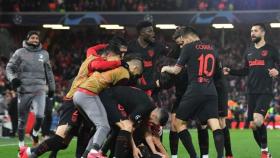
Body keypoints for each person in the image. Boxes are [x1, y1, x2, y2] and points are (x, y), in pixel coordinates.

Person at [19, 37, 129, 158]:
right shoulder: (97, 61)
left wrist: (106, 45)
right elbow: (97, 65)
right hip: (73, 100)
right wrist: (119, 63)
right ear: (111, 53)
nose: (122, 57)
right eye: (120, 53)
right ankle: (29, 153)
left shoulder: (91, 54)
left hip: (82, 99)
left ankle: (33, 153)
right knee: (60, 139)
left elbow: (91, 48)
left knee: (80, 134)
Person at [161, 26, 224, 158]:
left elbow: (176, 70)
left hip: (195, 89)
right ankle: (220, 156)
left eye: (181, 42)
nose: (181, 45)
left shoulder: (188, 48)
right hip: (211, 91)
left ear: (186, 37)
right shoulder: (212, 48)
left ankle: (193, 156)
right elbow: (218, 73)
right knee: (214, 124)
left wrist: (166, 67)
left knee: (178, 123)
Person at [223, 23, 279, 158]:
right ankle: (266, 152)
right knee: (253, 125)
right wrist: (231, 71)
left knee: (258, 120)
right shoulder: (248, 51)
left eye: (255, 31)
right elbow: (245, 70)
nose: (252, 33)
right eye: (251, 31)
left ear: (263, 33)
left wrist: (278, 71)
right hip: (251, 92)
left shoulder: (271, 50)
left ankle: (264, 152)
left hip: (265, 91)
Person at [73, 55, 143, 158]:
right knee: (104, 126)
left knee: (99, 128)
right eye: (137, 75)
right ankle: (93, 153)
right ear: (135, 68)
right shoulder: (125, 74)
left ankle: (86, 155)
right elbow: (114, 93)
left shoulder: (115, 67)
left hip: (79, 93)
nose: (134, 77)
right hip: (89, 94)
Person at [6, 31, 55, 147]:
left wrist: (52, 88)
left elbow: (49, 72)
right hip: (24, 90)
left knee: (40, 116)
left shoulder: (44, 54)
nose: (35, 40)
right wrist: (13, 79)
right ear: (27, 39)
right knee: (22, 121)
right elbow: (9, 68)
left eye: (37, 38)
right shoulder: (20, 53)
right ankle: (21, 146)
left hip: (39, 90)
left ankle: (34, 133)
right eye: (32, 38)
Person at [98, 86, 169, 158]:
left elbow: (147, 131)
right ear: (154, 116)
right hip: (108, 97)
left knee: (120, 128)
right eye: (153, 123)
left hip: (113, 98)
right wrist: (134, 148)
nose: (151, 124)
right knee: (125, 126)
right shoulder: (144, 108)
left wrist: (154, 151)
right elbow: (129, 126)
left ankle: (102, 152)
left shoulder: (150, 109)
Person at [127, 20, 167, 96]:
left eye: (153, 31)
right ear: (142, 33)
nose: (153, 34)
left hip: (154, 87)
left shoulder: (157, 46)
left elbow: (171, 54)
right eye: (150, 31)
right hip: (137, 87)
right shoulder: (131, 46)